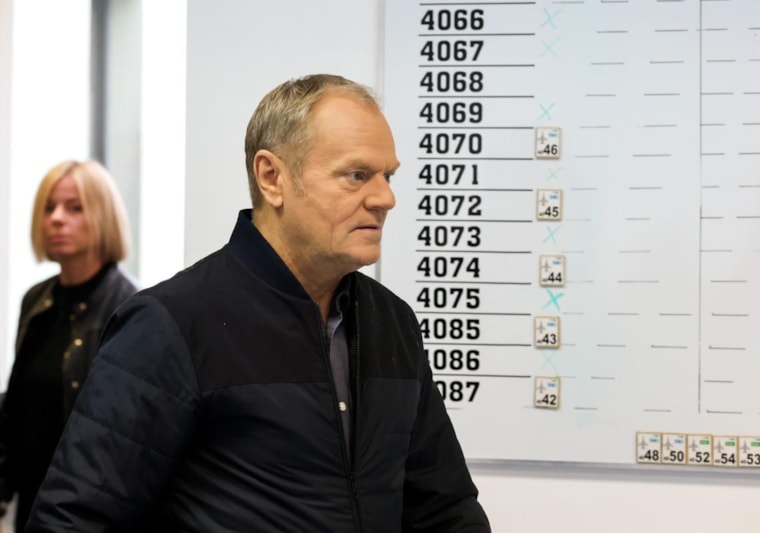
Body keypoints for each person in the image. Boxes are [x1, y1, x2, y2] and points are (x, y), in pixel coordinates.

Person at [26, 74, 491, 532]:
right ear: (272, 177)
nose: (385, 198)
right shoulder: (172, 324)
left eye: (387, 176)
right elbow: (73, 520)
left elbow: (445, 508)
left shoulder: (391, 323)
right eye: (357, 175)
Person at [0, 160, 137, 531]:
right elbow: (16, 409)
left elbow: (126, 436)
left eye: (75, 208)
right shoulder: (37, 301)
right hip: (33, 503)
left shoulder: (131, 307)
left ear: (104, 216)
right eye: (49, 208)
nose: (57, 219)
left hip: (89, 512)